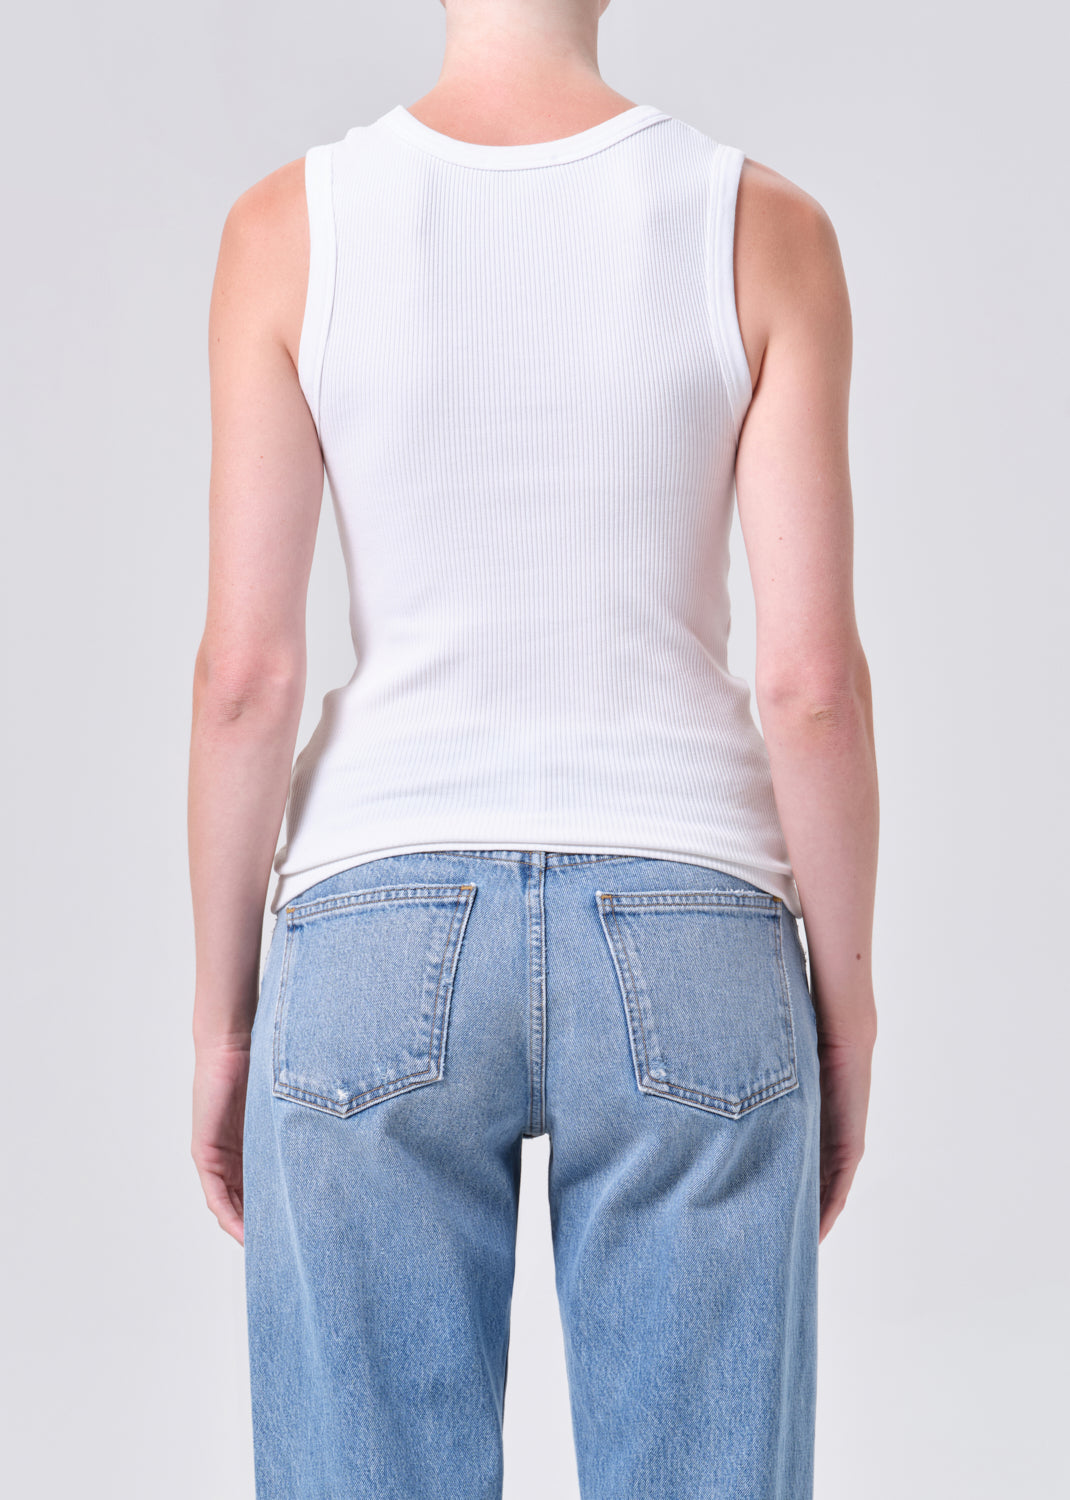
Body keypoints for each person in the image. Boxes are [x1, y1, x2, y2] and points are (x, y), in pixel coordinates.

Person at [188, 1, 879, 1494]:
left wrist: (223, 1018)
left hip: (373, 916)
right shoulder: (764, 229)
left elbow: (248, 677)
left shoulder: (288, 230)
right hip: (693, 918)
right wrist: (846, 1006)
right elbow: (810, 685)